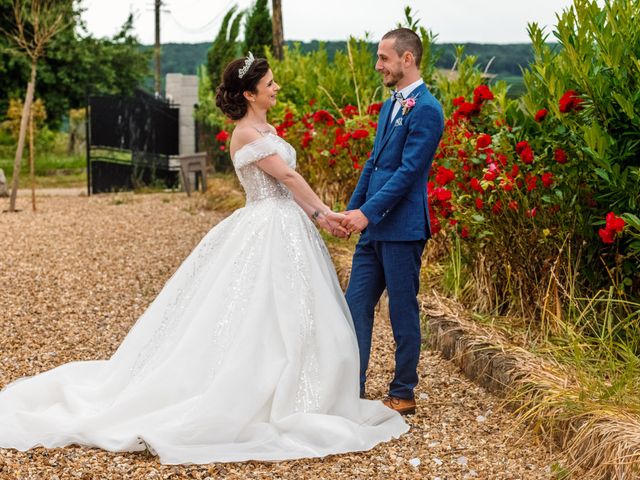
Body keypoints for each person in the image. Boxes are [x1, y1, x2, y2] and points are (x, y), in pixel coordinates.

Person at [0, 53, 408, 465]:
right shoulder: (246, 134)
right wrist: (324, 215)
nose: (276, 88)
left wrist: (313, 217)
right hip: (267, 226)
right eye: (270, 84)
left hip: (286, 225)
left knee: (295, 309)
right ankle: (258, 390)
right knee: (258, 311)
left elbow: (286, 185)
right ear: (250, 93)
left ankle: (308, 387)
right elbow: (286, 177)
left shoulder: (265, 128)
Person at [341, 28, 444, 415]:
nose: (377, 64)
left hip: (402, 230)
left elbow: (407, 173)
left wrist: (367, 212)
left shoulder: (429, 110)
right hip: (372, 228)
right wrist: (351, 213)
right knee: (355, 306)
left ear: (407, 59)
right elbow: (374, 163)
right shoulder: (389, 106)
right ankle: (350, 387)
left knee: (402, 310)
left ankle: (403, 392)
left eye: (384, 58)